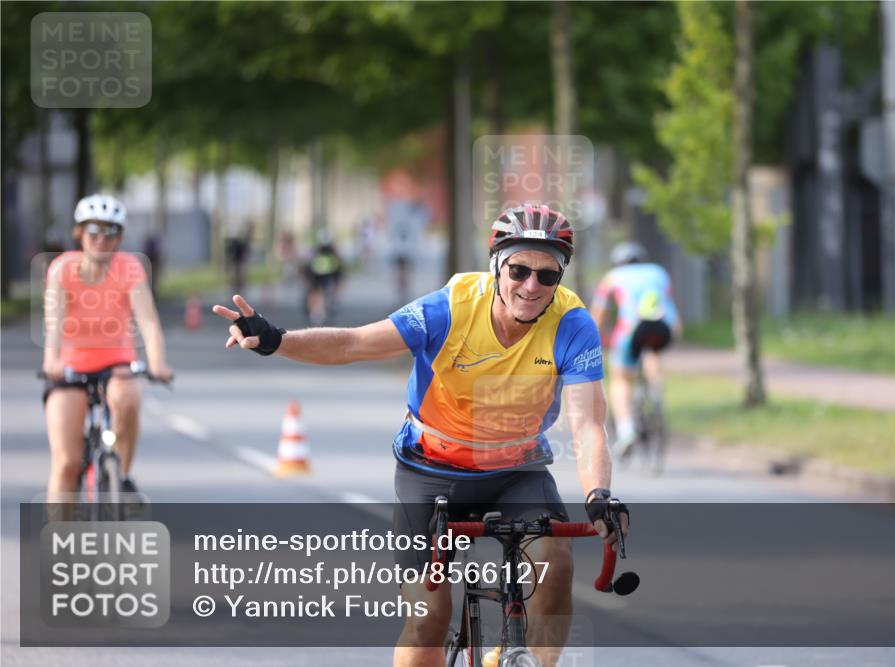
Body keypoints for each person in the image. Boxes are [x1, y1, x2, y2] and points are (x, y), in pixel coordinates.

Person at [213, 203, 629, 667]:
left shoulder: (573, 324)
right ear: (497, 265)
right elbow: (355, 343)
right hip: (431, 473)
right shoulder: (450, 309)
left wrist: (598, 495)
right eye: (519, 270)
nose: (531, 286)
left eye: (547, 276)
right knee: (428, 618)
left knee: (556, 564)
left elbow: (587, 423)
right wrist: (277, 340)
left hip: (517, 472)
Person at [42, 193, 173, 501]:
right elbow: (53, 323)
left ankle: (120, 475)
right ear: (80, 234)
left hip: (117, 360)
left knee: (128, 399)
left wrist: (157, 362)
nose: (102, 239)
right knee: (66, 462)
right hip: (69, 365)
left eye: (111, 231)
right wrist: (52, 360)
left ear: (120, 237)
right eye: (94, 231)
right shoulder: (62, 269)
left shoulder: (130, 268)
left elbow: (149, 322)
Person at [590, 241, 683, 458]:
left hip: (630, 330)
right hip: (664, 327)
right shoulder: (659, 272)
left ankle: (627, 431)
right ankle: (656, 391)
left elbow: (598, 315)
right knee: (653, 352)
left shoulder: (612, 277)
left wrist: (594, 339)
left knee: (621, 379)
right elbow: (669, 303)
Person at [301, 229, 344, 326]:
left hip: (319, 275)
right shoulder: (331, 252)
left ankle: (318, 312)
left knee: (315, 291)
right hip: (323, 275)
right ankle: (319, 312)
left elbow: (307, 265)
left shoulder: (317, 251)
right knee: (318, 292)